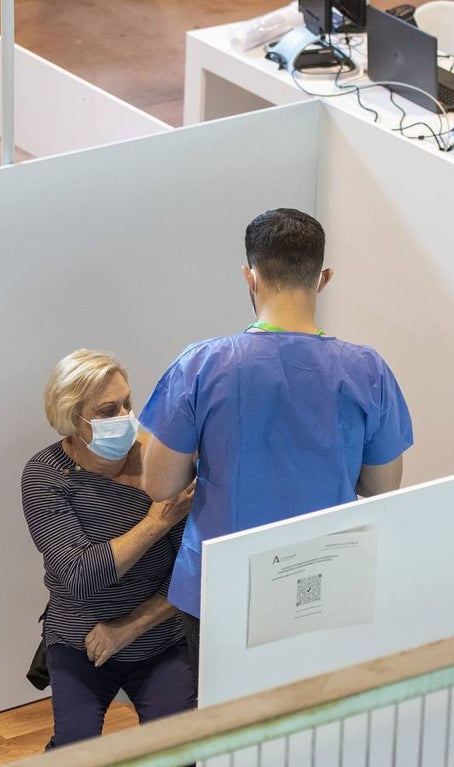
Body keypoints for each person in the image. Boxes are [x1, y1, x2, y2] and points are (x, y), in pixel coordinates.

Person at [139, 208, 414, 669]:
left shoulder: (202, 365)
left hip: (222, 587)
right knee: (315, 722)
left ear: (250, 276)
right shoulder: (368, 371)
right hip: (327, 582)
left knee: (227, 726)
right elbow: (383, 487)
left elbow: (160, 484)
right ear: (323, 278)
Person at [23, 349, 196, 750]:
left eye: (127, 404)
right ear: (71, 420)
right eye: (106, 411)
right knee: (75, 748)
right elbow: (82, 574)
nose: (125, 417)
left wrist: (128, 628)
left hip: (158, 636)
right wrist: (157, 521)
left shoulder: (161, 461)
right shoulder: (44, 477)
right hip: (80, 638)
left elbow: (192, 568)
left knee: (181, 747)